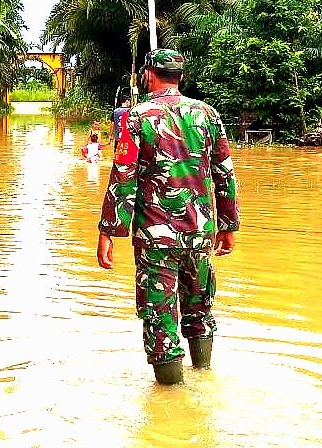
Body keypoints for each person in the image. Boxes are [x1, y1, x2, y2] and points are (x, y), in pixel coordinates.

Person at [96, 49, 240, 385]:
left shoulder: (136, 118)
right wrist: (228, 226)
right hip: (201, 234)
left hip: (156, 238)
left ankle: (171, 401)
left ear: (148, 74)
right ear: (180, 76)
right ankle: (203, 378)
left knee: (159, 317)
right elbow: (225, 174)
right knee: (200, 307)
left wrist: (108, 230)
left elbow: (123, 176)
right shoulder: (208, 115)